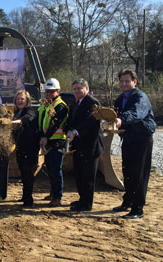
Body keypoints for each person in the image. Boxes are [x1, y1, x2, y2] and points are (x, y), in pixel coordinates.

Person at [113, 69, 156, 219]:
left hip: (141, 139)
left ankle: (138, 209)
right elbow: (114, 113)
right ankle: (128, 201)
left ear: (134, 82)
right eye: (122, 81)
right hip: (129, 138)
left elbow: (136, 113)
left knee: (139, 174)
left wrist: (121, 120)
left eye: (127, 81)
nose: (124, 84)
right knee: (128, 172)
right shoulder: (120, 98)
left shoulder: (140, 97)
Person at [66, 79, 104, 211]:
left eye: (79, 88)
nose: (76, 91)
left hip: (90, 146)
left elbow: (90, 121)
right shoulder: (74, 103)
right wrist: (69, 130)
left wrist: (75, 131)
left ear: (86, 89)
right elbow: (70, 120)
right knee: (79, 174)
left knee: (88, 176)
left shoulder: (93, 103)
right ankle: (82, 199)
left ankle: (87, 204)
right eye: (74, 89)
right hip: (78, 145)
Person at [38, 78, 69, 207]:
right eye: (47, 92)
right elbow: (42, 122)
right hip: (48, 141)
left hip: (57, 141)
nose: (49, 94)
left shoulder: (60, 106)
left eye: (52, 92)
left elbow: (55, 125)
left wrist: (47, 137)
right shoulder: (47, 104)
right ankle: (53, 192)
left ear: (57, 91)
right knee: (50, 168)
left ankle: (57, 196)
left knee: (56, 169)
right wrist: (41, 135)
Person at [12, 90, 40, 207]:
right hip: (20, 147)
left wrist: (17, 122)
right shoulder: (17, 112)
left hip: (30, 148)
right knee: (23, 173)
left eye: (22, 99)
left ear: (27, 100)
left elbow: (28, 119)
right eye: (18, 99)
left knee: (28, 174)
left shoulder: (30, 111)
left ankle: (28, 200)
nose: (20, 101)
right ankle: (25, 196)